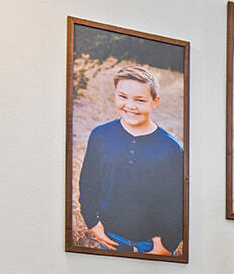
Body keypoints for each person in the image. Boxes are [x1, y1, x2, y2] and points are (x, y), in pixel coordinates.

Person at [77, 64, 184, 256]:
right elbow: (88, 183)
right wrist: (93, 223)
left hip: (152, 245)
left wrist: (168, 244)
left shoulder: (170, 148)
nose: (130, 106)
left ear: (155, 101)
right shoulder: (100, 136)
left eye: (140, 100)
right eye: (122, 97)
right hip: (111, 238)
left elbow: (178, 202)